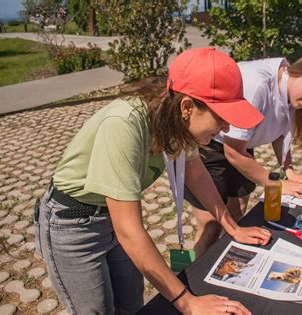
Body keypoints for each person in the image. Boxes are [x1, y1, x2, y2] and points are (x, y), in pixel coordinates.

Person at [34, 47, 271, 315]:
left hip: (109, 221)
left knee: (131, 304)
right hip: (73, 226)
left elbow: (195, 172)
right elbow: (130, 231)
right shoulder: (123, 124)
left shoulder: (174, 118)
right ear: (187, 107)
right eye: (221, 118)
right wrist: (188, 303)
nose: (227, 129)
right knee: (95, 310)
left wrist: (231, 226)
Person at [185, 48, 302, 256]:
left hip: (240, 146)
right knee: (211, 225)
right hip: (209, 143)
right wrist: (276, 184)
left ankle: (226, 257)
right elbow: (233, 152)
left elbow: (282, 128)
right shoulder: (258, 84)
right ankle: (197, 268)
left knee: (237, 210)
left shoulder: (293, 89)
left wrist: (288, 169)